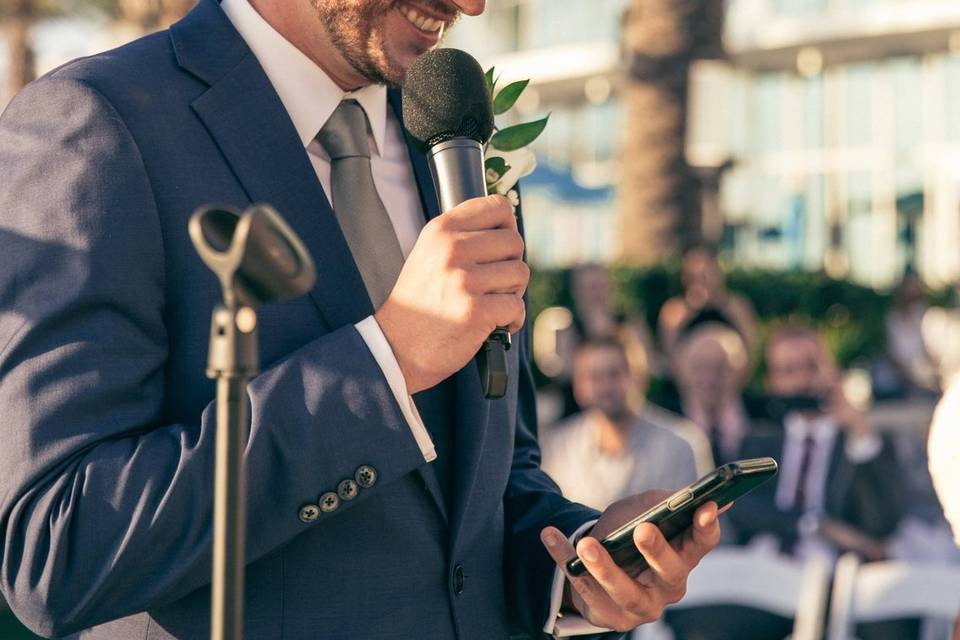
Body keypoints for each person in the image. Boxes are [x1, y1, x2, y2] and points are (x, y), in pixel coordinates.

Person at [0, 0, 722, 638]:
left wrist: (581, 565)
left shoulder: (455, 142)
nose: (469, 6)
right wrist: (387, 364)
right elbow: (56, 549)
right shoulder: (97, 121)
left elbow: (494, 483)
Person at [730, 325, 906, 562]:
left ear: (833, 370)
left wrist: (859, 434)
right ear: (772, 382)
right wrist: (815, 525)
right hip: (764, 563)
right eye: (789, 371)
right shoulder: (758, 440)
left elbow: (882, 523)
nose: (802, 380)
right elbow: (741, 509)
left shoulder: (858, 442)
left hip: (835, 570)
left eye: (812, 366)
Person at [541, 337, 703, 512]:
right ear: (578, 387)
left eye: (614, 373)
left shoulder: (681, 442)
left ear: (640, 376)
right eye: (594, 376)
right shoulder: (557, 447)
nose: (605, 386)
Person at [553, 263, 660, 418]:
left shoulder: (630, 323)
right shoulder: (567, 331)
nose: (595, 294)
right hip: (580, 411)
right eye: (589, 288)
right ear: (577, 293)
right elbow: (566, 375)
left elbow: (647, 364)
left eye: (599, 286)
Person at [668, 322, 753, 464]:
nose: (709, 377)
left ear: (740, 370)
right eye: (699, 366)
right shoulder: (667, 421)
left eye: (720, 366)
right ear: (681, 370)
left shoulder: (764, 416)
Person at [658, 246, 758, 364]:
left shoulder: (737, 306)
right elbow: (670, 356)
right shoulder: (674, 312)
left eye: (704, 276)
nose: (698, 284)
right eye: (693, 278)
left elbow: (752, 351)